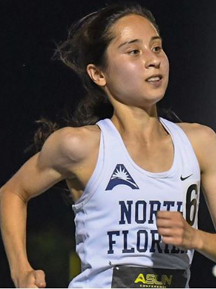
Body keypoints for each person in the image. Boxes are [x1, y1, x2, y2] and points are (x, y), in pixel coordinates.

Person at [1, 2, 216, 288]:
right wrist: (20, 270)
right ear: (98, 74)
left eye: (157, 47)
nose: (153, 60)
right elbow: (13, 192)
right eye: (134, 51)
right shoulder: (80, 146)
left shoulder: (200, 143)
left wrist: (195, 237)